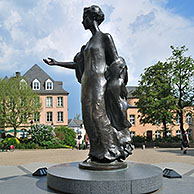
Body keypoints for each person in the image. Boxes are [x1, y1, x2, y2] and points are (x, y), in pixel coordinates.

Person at [43, 5, 132, 163]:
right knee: (88, 116)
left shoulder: (105, 38)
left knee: (98, 115)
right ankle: (96, 152)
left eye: (84, 18)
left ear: (92, 18)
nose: (82, 21)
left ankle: (112, 151)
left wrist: (117, 81)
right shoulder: (87, 44)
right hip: (87, 82)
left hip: (100, 81)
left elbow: (116, 60)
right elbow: (77, 65)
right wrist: (56, 63)